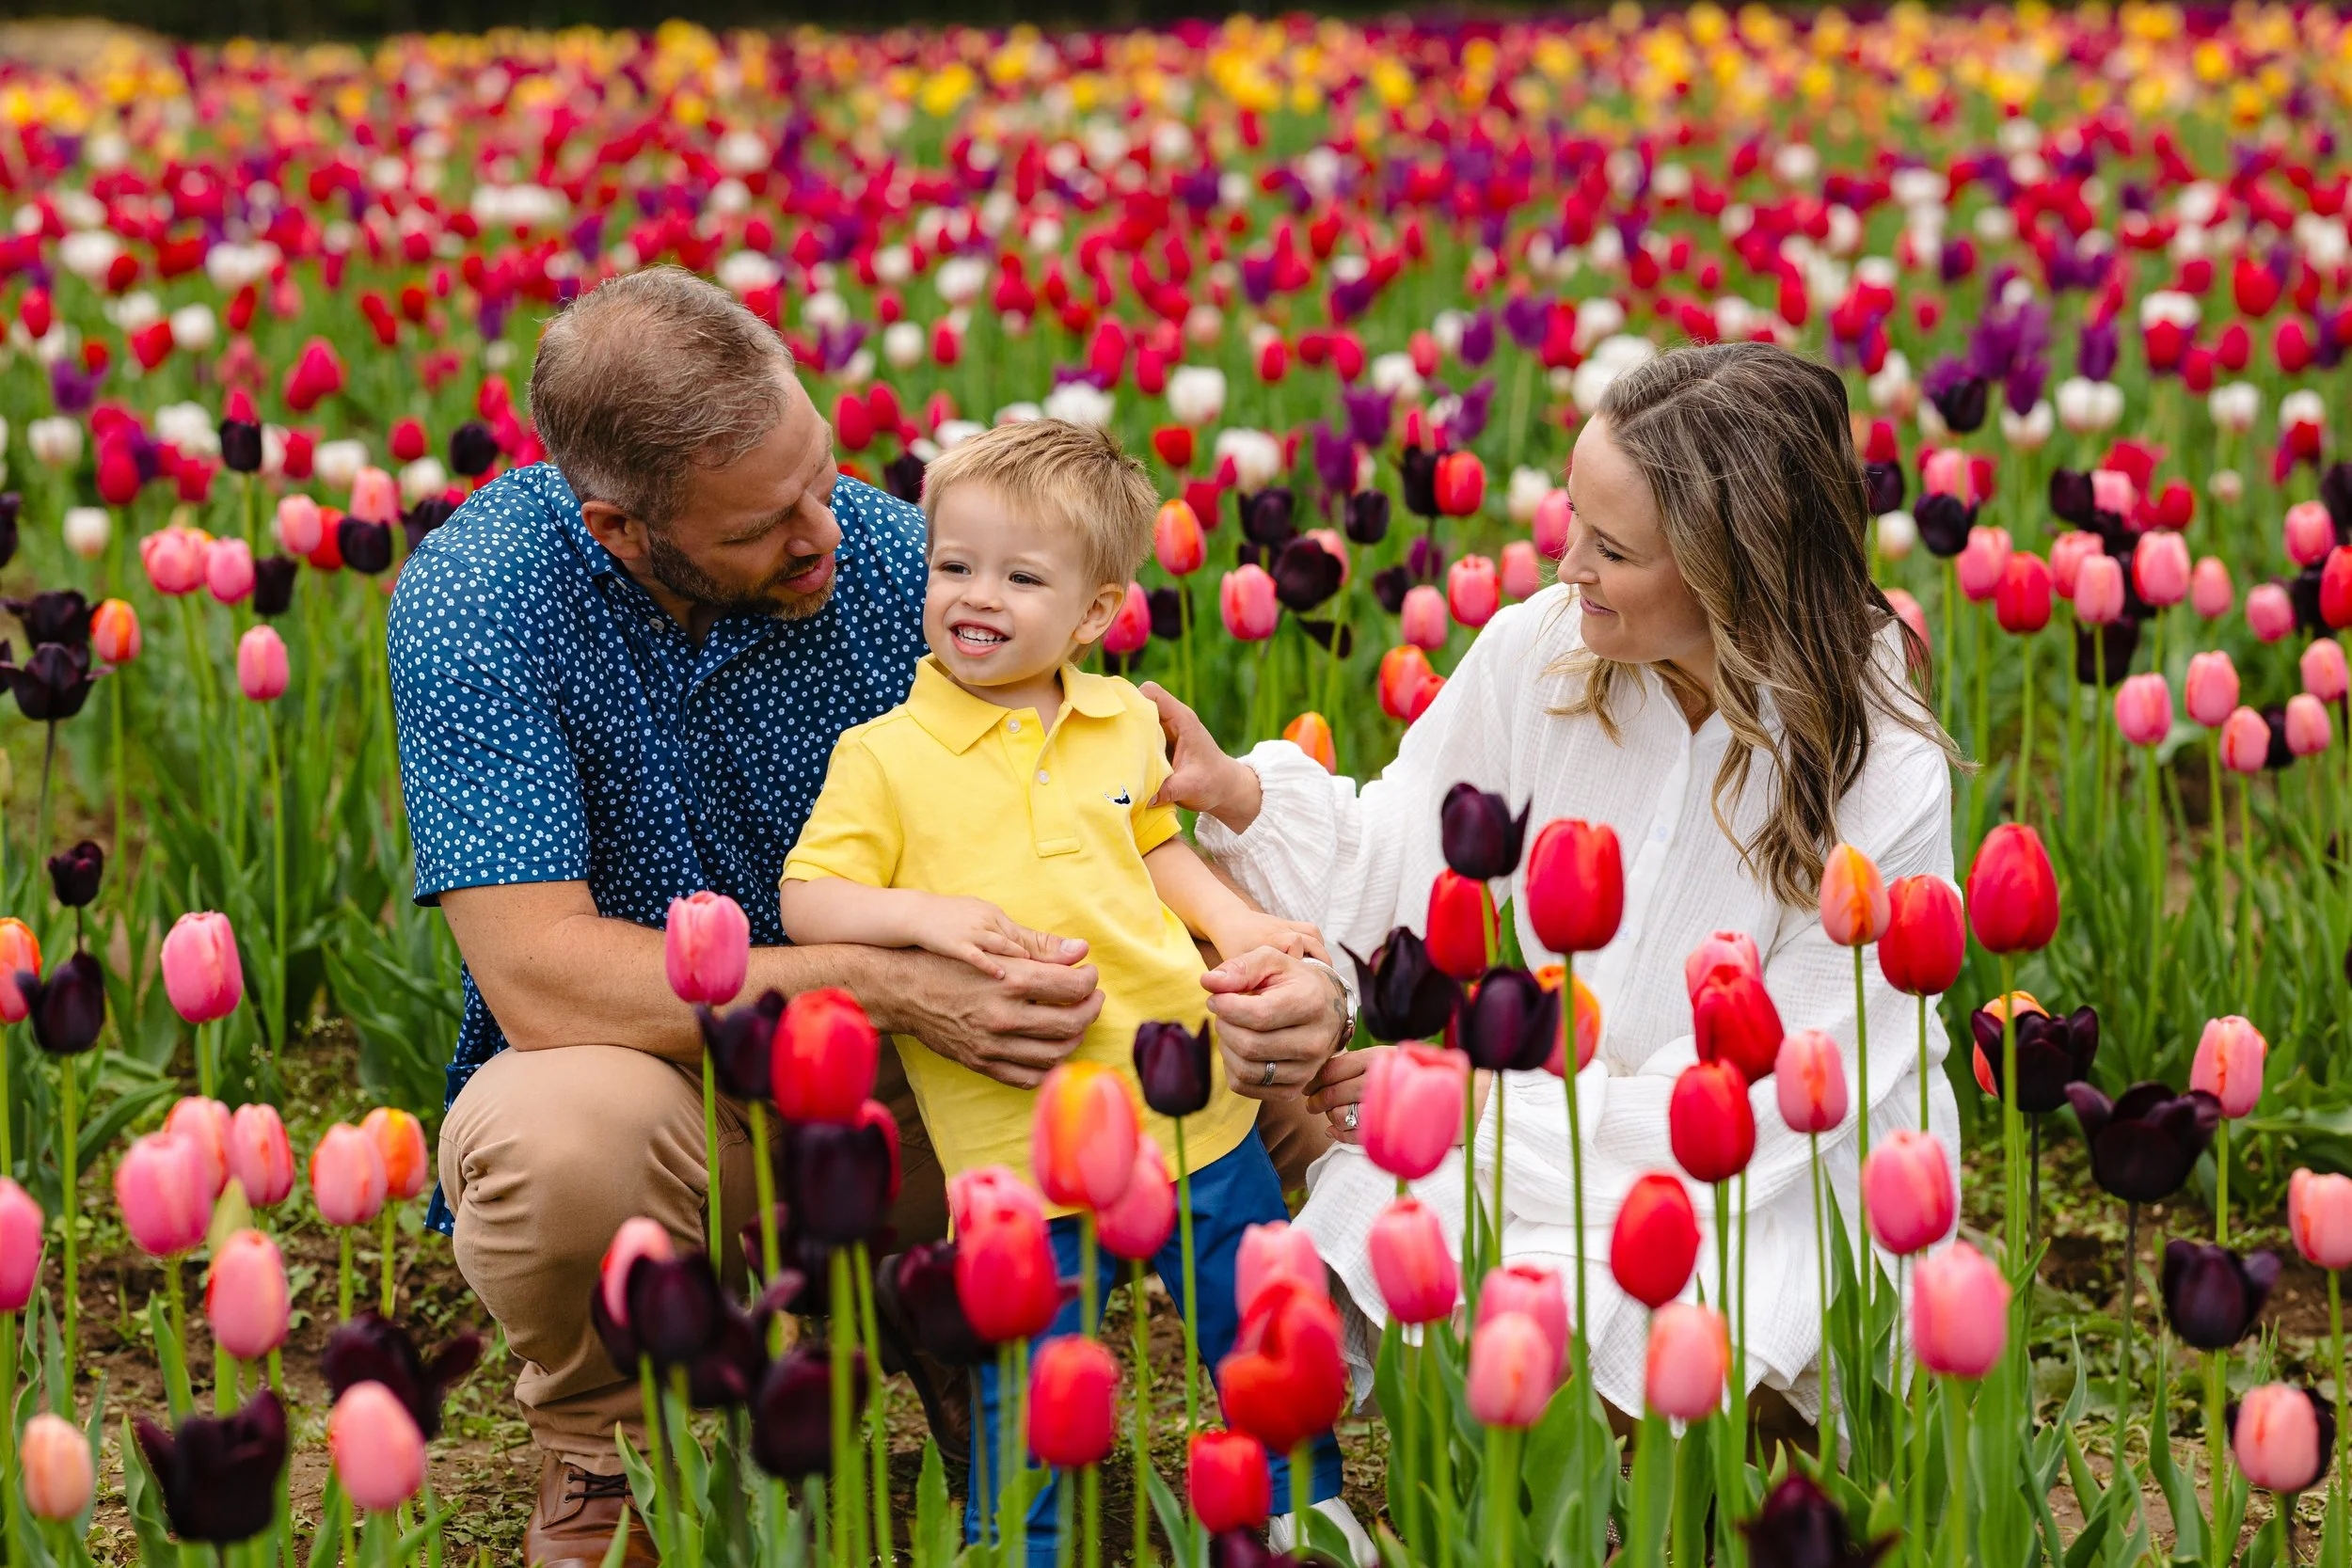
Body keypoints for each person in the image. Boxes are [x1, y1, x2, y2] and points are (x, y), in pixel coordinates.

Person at [389, 267, 1348, 1568]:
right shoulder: (478, 608)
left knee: (1273, 1076)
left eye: (820, 474)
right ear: (620, 527)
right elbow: (541, 978)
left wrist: (1254, 948)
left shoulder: (896, 554)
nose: (821, 533)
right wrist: (876, 981)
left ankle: (969, 1339)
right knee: (550, 1139)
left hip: (933, 1085)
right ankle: (608, 1441)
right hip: (684, 1075)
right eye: (763, 525)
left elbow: (1089, 807)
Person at [1149, 341, 1963, 1430]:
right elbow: (1400, 848)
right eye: (1572, 514)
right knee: (1400, 1244)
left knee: (1655, 1327)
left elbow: (1801, 1083)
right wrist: (1242, 793)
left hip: (1765, 1160)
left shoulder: (1877, 762)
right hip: (1523, 1113)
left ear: (1733, 572)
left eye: (1611, 546)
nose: (1566, 561)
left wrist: (1488, 1105)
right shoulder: (1543, 651)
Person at [780, 419, 1369, 1561]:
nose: (974, 595)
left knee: (1256, 1314)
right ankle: (1027, 1542)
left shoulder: (1121, 722)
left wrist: (1239, 922)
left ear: (1095, 611)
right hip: (1018, 1132)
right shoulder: (884, 755)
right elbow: (811, 896)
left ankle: (1304, 1500)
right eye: (952, 565)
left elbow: (1154, 847)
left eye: (1018, 575)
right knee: (1033, 1371)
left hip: (1184, 1098)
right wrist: (924, 916)